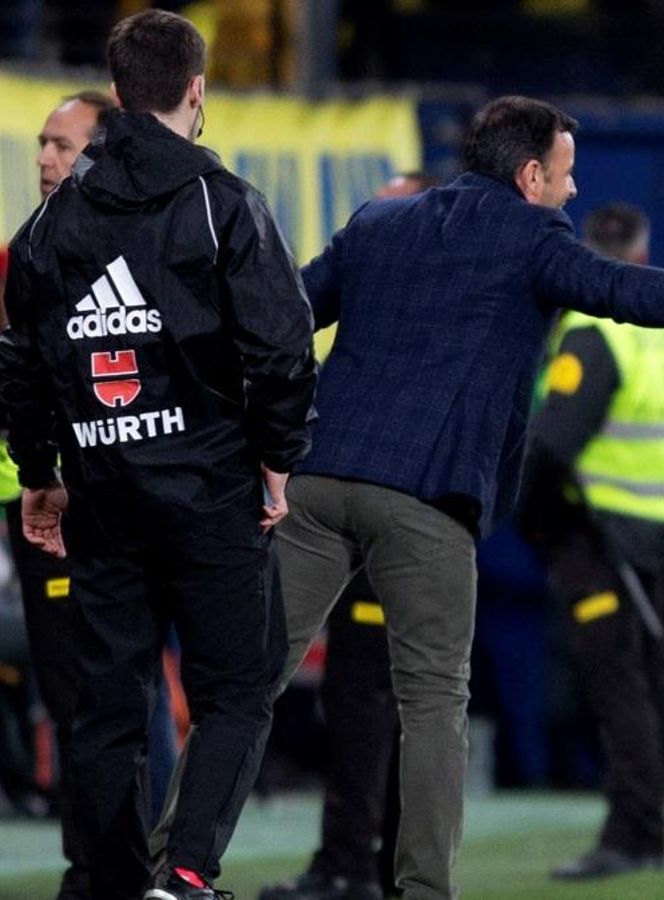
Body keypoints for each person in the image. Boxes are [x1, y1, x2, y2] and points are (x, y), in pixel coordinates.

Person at [247, 95, 664, 900]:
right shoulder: (533, 235)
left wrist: (265, 442)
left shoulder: (379, 226)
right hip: (436, 502)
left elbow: (277, 324)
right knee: (432, 707)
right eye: (563, 173)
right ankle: (421, 892)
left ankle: (171, 870)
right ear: (530, 175)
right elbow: (626, 291)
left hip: (318, 483)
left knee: (246, 682)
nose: (571, 188)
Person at [0, 9, 317, 900]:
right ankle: (181, 874)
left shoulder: (47, 229)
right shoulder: (221, 204)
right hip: (212, 492)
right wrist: (279, 458)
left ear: (118, 93)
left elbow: (20, 362)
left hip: (102, 495)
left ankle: (112, 884)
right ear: (196, 90)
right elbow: (283, 349)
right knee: (236, 693)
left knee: (106, 709)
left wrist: (40, 474)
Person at [2, 86, 184, 900]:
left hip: (98, 502)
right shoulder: (26, 252)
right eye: (42, 143)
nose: (45, 159)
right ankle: (108, 868)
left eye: (63, 146)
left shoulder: (133, 252)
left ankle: (131, 869)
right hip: (37, 505)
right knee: (81, 689)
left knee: (109, 688)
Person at [258, 172, 438, 900]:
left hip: (391, 542)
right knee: (374, 699)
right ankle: (379, 863)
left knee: (371, 701)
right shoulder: (391, 320)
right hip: (377, 535)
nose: (367, 234)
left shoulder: (418, 329)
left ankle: (352, 866)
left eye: (386, 219)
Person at [518, 201, 664, 880]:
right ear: (643, 250)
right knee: (648, 686)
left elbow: (553, 442)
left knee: (618, 689)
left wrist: (533, 521)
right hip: (657, 527)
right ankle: (647, 836)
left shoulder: (596, 328)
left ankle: (630, 837)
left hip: (596, 532)